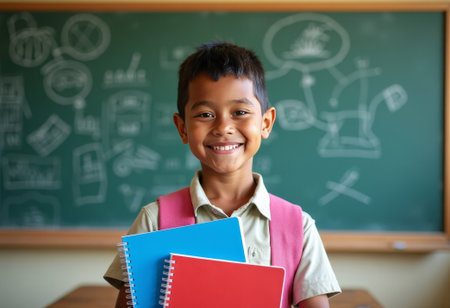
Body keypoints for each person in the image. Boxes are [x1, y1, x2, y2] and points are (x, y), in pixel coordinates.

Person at [104, 41, 341, 308]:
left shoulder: (298, 226)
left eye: (240, 112)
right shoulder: (154, 220)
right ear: (182, 128)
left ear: (265, 123)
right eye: (205, 114)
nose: (224, 127)